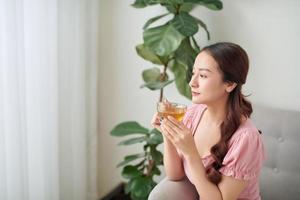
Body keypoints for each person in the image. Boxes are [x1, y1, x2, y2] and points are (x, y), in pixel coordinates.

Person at [149, 42, 266, 200]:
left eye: (203, 75)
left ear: (230, 84)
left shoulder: (246, 139)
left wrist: (191, 153)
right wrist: (168, 132)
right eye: (193, 73)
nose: (192, 83)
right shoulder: (193, 114)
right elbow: (174, 175)